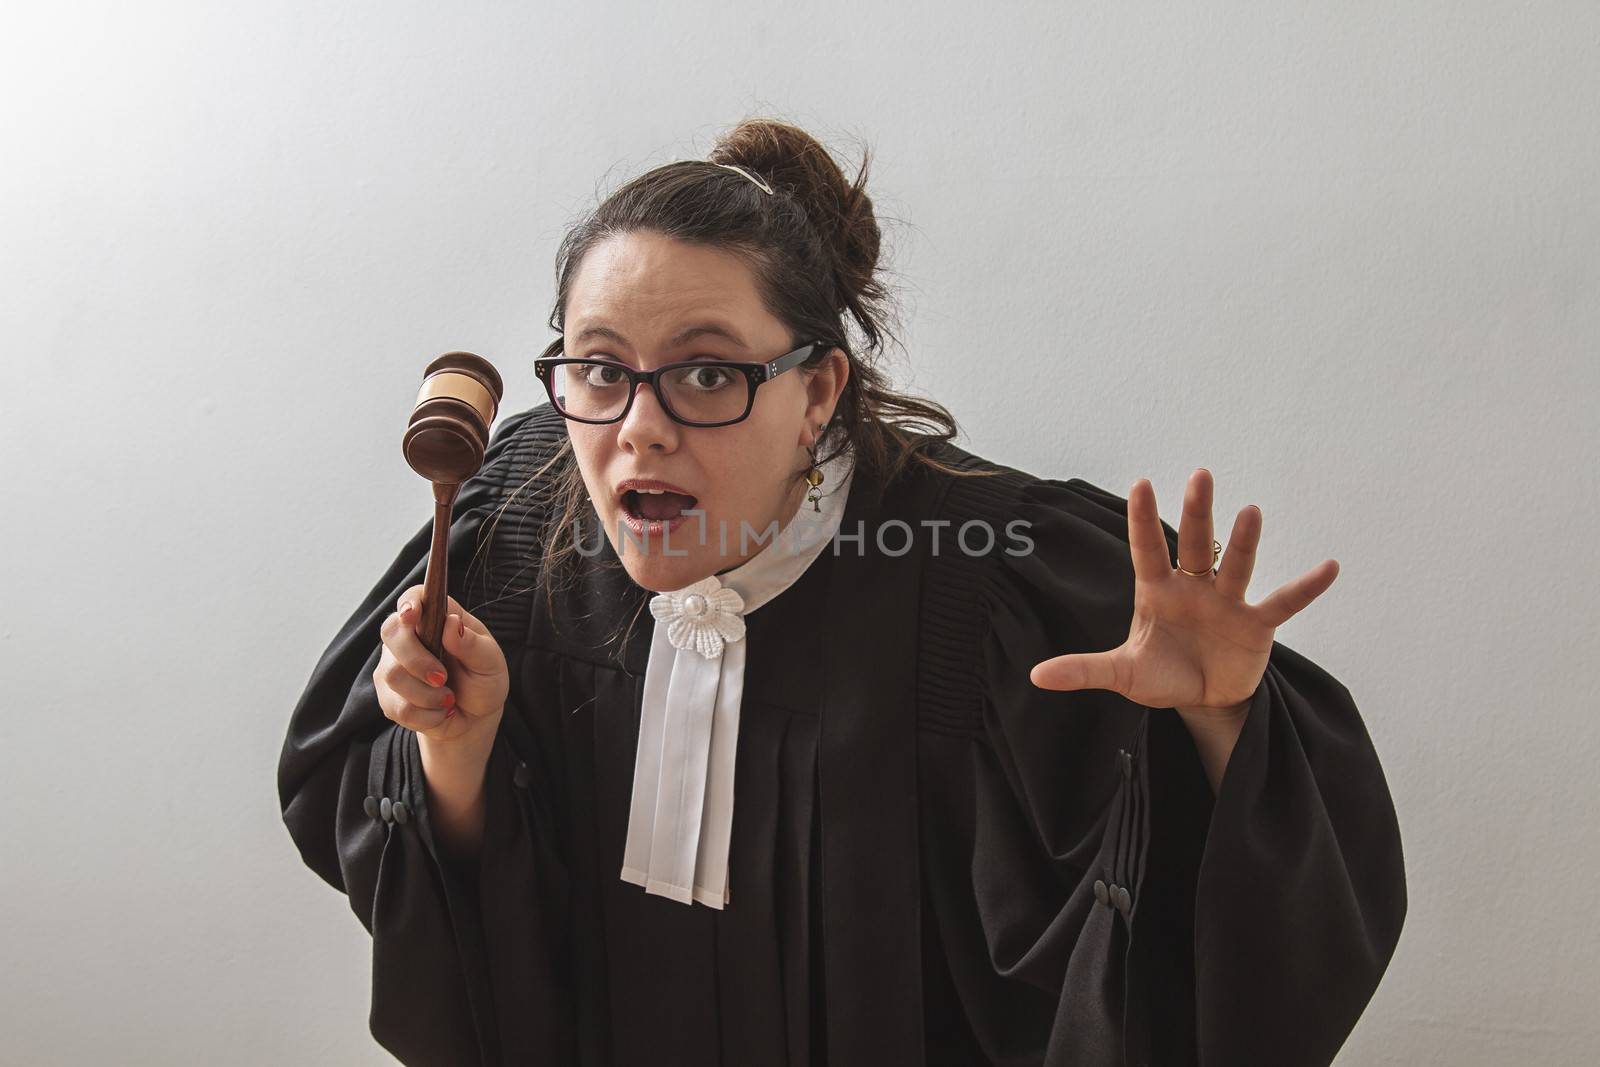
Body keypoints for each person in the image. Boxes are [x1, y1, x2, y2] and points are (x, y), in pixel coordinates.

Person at [278, 118, 1406, 1067]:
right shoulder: (505, 533)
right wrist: (451, 747)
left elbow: (1197, 962)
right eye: (599, 365)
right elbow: (458, 939)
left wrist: (1217, 719)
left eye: (709, 370)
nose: (640, 426)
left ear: (817, 389)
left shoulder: (987, 579)